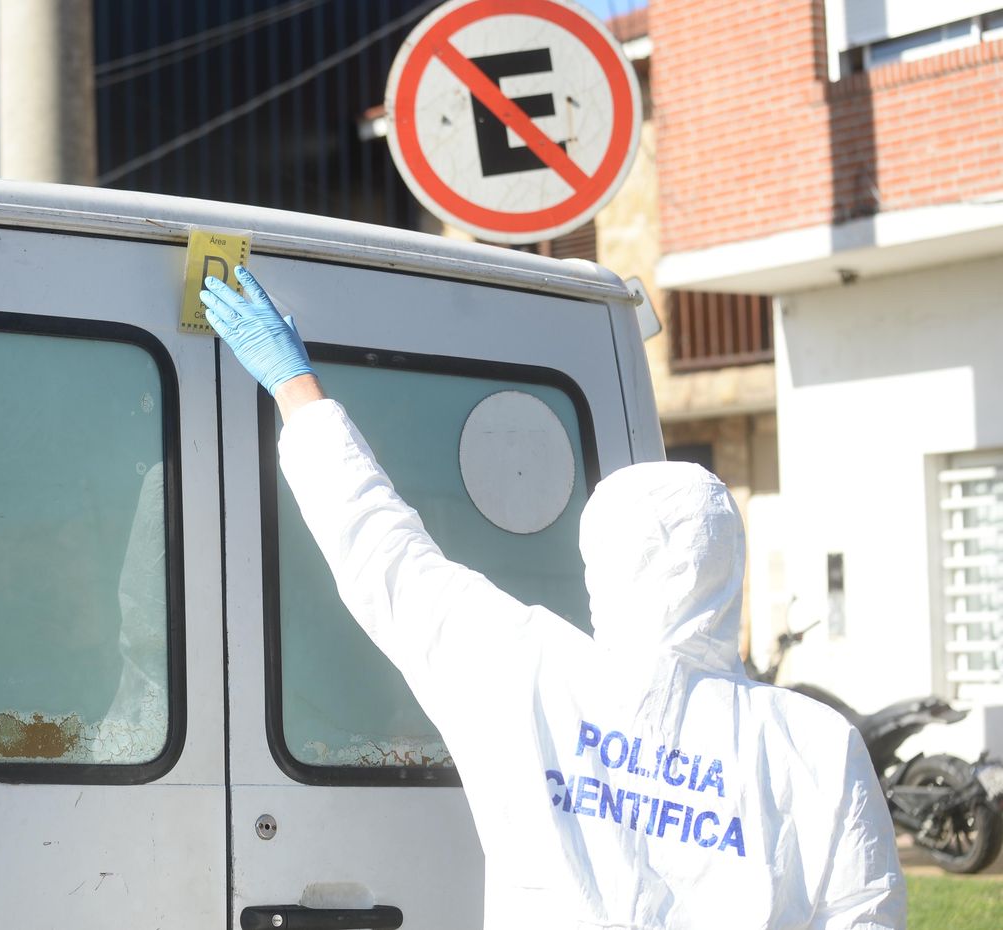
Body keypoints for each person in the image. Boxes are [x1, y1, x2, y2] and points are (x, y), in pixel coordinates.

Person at [201, 268, 905, 930]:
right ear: (730, 566)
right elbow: (865, 912)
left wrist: (296, 387)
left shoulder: (525, 671)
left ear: (600, 564)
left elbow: (383, 551)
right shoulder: (812, 745)